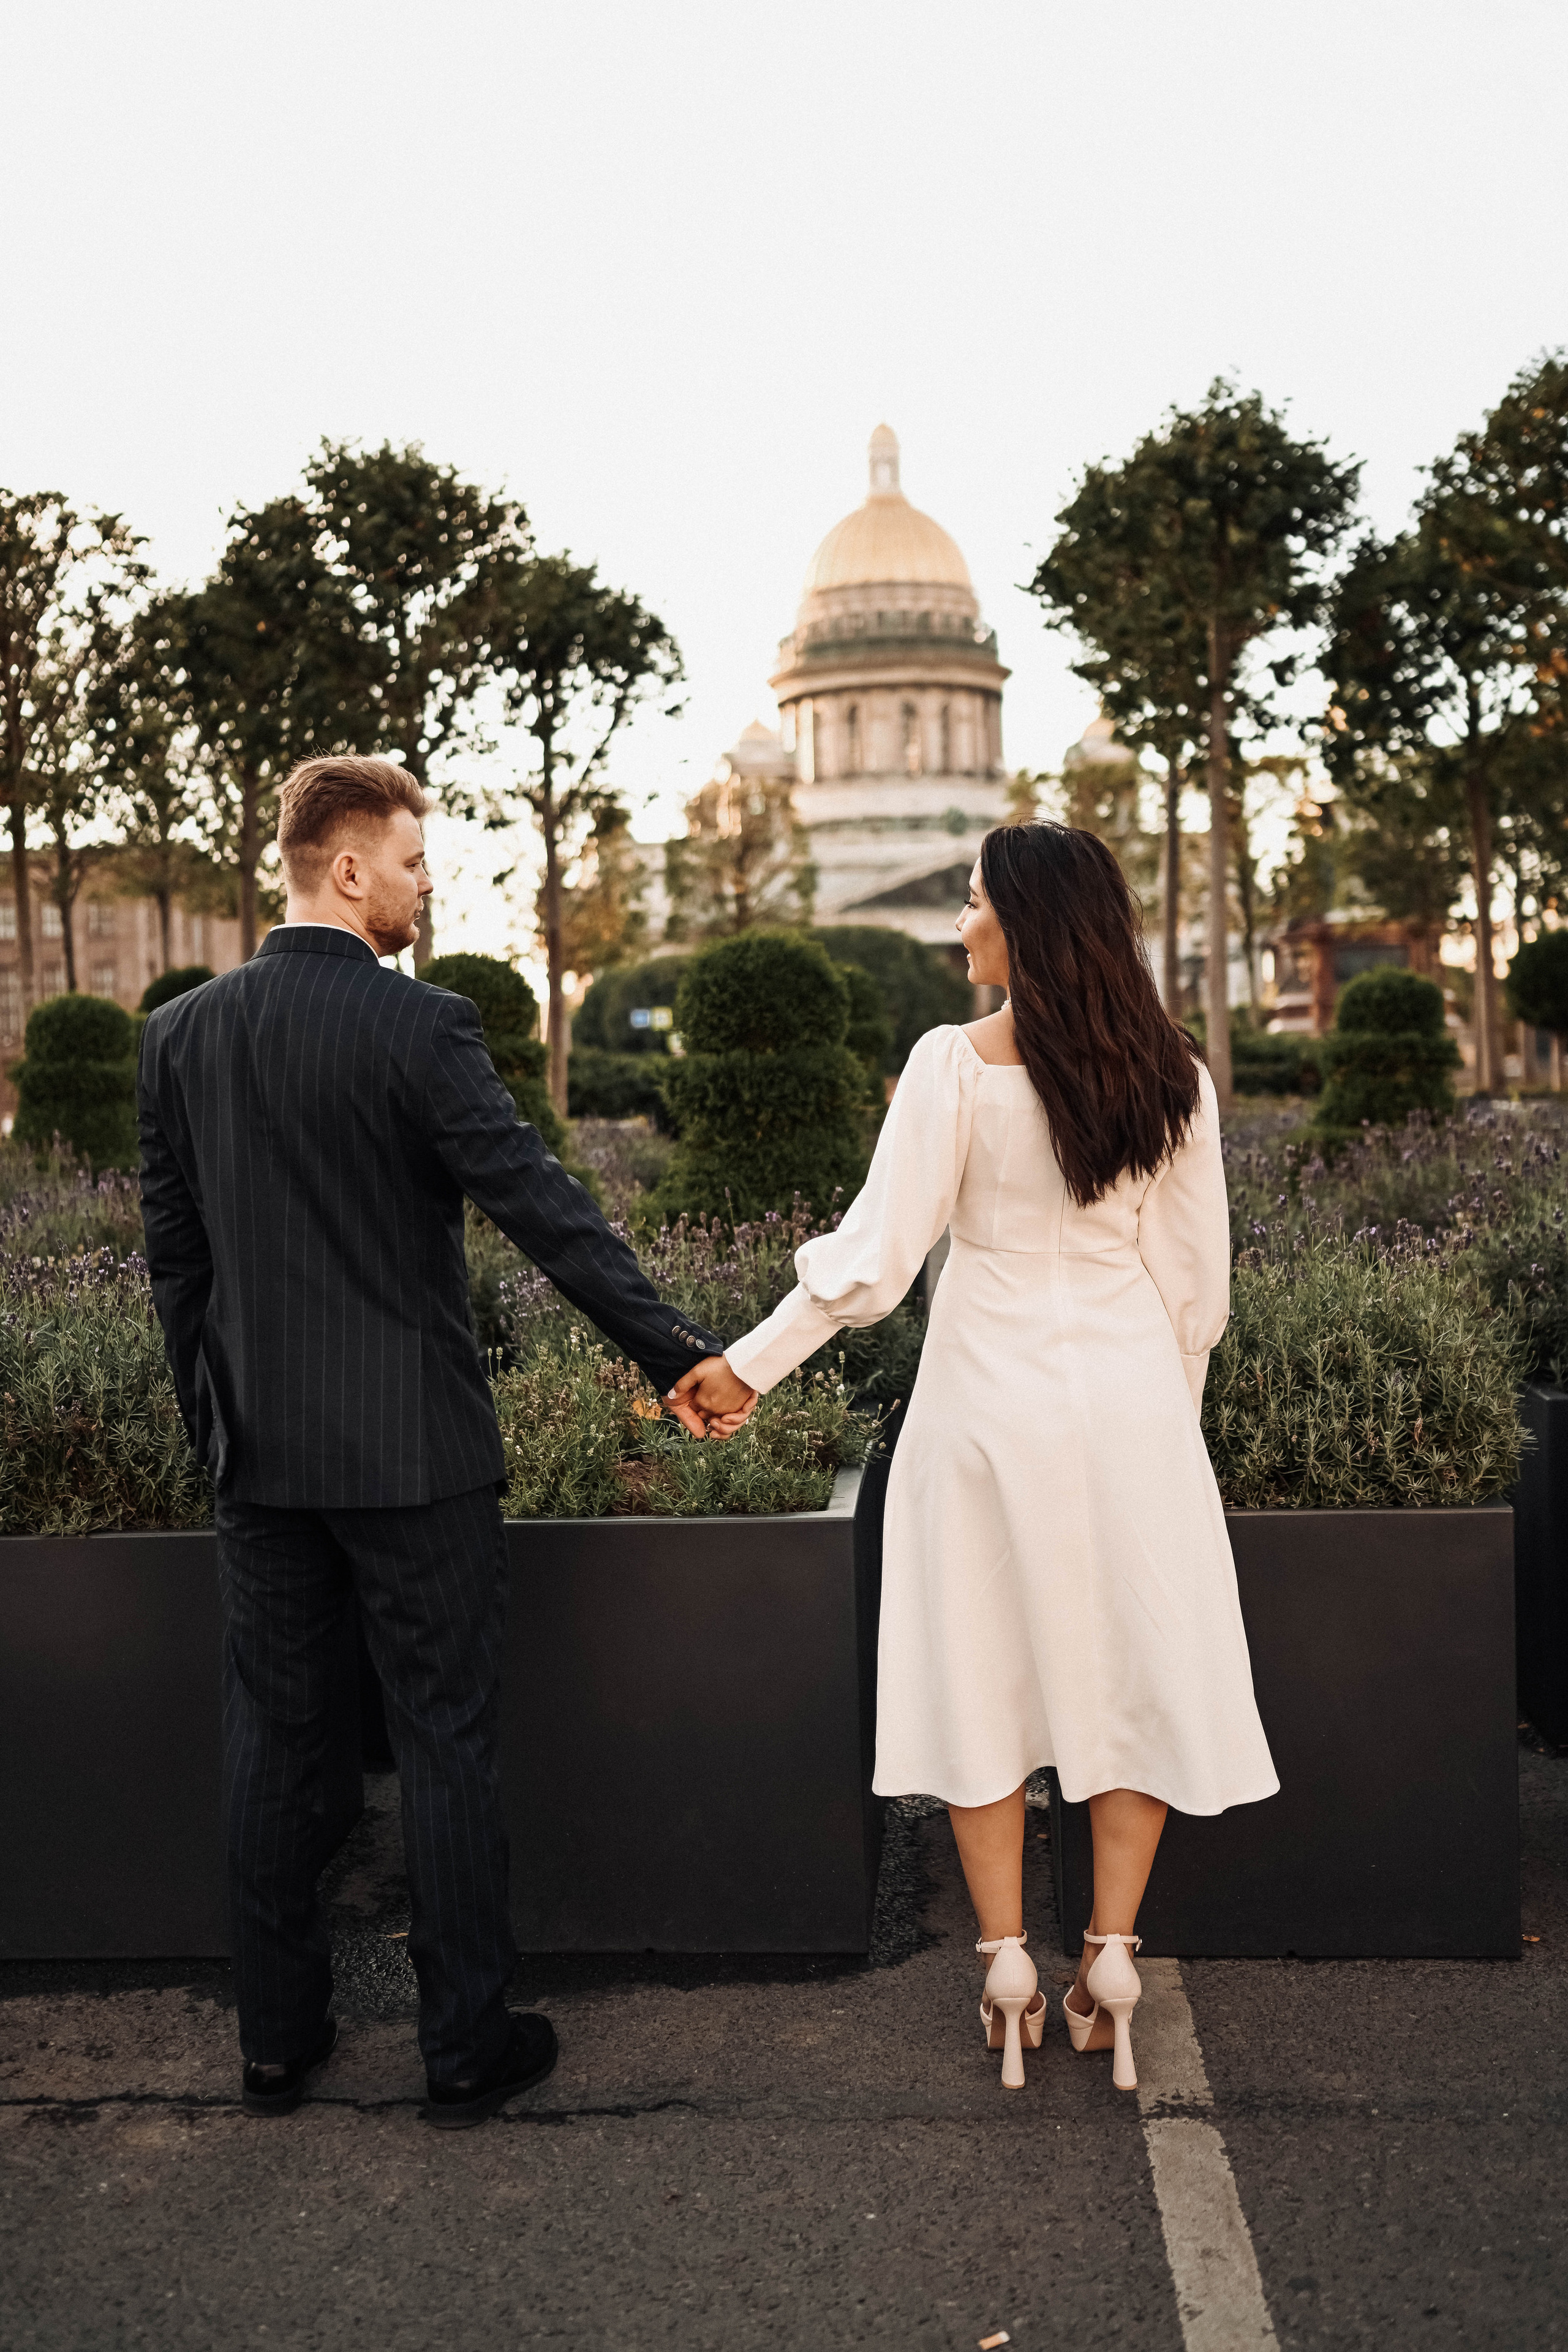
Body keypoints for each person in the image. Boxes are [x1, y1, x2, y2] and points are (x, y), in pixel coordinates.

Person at [138, 754, 753, 2130]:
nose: (426, 886)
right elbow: (543, 1207)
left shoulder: (178, 1036)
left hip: (260, 1462)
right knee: (445, 1741)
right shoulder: (419, 1028)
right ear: (349, 868)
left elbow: (177, 1267)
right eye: (414, 863)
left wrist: (219, 1423)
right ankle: (466, 2044)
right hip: (415, 1456)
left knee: (273, 1745)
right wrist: (679, 1352)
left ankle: (276, 2043)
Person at [680, 822, 1277, 2093]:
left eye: (971, 903)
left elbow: (873, 1262)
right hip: (1128, 1412)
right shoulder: (1174, 1076)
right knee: (1129, 1680)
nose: (960, 926)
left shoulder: (952, 1064)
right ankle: (1109, 1959)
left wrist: (749, 1365)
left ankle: (1005, 1964)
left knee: (979, 1679)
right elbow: (1195, 1294)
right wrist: (1164, 1434)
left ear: (1024, 922)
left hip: (981, 1418)